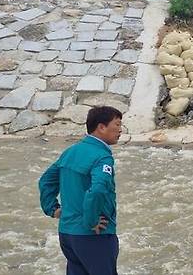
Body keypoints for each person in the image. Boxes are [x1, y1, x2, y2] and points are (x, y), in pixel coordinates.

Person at [38, 106, 123, 275]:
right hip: (94, 236)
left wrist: (52, 209)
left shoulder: (70, 152)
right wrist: (91, 221)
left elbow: (45, 181)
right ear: (101, 127)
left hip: (67, 234)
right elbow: (98, 189)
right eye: (117, 124)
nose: (120, 130)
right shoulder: (102, 156)